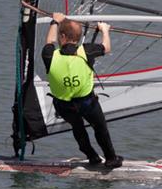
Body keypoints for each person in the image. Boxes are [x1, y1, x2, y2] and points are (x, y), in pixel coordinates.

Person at [41, 12, 123, 168]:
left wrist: (55, 21)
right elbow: (106, 48)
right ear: (78, 38)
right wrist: (104, 29)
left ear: (62, 36)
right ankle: (111, 158)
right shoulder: (86, 50)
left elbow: (49, 41)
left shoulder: (49, 55)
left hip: (64, 106)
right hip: (87, 103)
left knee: (78, 128)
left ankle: (92, 156)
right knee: (100, 128)